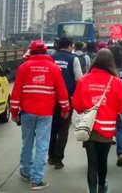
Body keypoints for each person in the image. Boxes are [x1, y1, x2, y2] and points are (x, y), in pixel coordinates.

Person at [10, 40, 70, 190]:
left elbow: (16, 92)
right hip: (45, 112)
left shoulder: (24, 67)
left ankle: (25, 171)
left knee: (27, 142)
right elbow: (61, 91)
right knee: (42, 145)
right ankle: (37, 179)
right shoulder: (53, 68)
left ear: (31, 52)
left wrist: (14, 112)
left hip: (27, 112)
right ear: (45, 52)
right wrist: (65, 108)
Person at [72, 49, 122, 193]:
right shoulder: (116, 82)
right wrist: (113, 111)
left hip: (89, 128)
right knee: (102, 161)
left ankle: (92, 190)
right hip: (107, 129)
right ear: (111, 63)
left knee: (92, 163)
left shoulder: (84, 80)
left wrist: (85, 111)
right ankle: (102, 186)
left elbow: (76, 104)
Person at [48, 37, 83, 169]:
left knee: (52, 127)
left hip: (50, 98)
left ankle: (50, 156)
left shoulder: (51, 58)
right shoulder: (73, 59)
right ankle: (58, 159)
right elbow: (79, 79)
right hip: (67, 99)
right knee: (63, 129)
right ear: (69, 46)